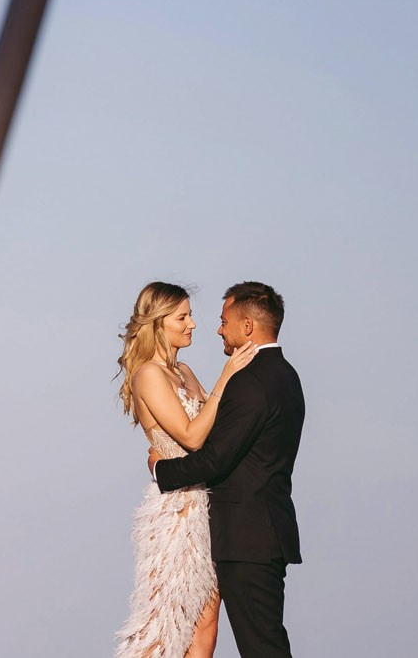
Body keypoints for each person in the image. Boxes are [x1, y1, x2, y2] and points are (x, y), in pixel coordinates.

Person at [149, 282, 305, 658]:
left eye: (224, 321)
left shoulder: (251, 381)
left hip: (248, 538)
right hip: (266, 532)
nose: (218, 329)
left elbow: (216, 458)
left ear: (247, 327)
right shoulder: (287, 375)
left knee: (262, 647)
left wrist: (161, 470)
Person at [111, 282, 258, 658]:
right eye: (183, 317)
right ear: (159, 324)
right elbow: (192, 437)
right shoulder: (148, 374)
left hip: (208, 510)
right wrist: (226, 376)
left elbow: (218, 429)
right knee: (164, 625)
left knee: (206, 630)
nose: (193, 323)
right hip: (175, 514)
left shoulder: (186, 372)